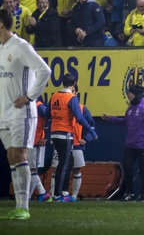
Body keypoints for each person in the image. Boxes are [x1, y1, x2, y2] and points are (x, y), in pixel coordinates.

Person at [0, 7, 53, 220]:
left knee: (20, 155)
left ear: (0, 25)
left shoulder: (21, 46)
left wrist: (29, 97)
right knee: (11, 157)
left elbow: (45, 70)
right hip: (5, 112)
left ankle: (24, 207)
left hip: (23, 111)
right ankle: (18, 206)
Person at [101, 83, 144, 202]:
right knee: (127, 167)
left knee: (143, 170)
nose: (128, 95)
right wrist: (111, 118)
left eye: (129, 93)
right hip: (130, 144)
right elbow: (124, 121)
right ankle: (130, 193)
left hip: (143, 144)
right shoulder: (130, 109)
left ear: (135, 94)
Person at [48, 73, 97, 202]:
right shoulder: (72, 98)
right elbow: (79, 117)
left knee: (67, 164)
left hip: (54, 133)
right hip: (66, 134)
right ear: (74, 84)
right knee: (64, 165)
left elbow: (48, 114)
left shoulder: (54, 96)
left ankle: (64, 193)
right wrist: (91, 132)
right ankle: (57, 195)